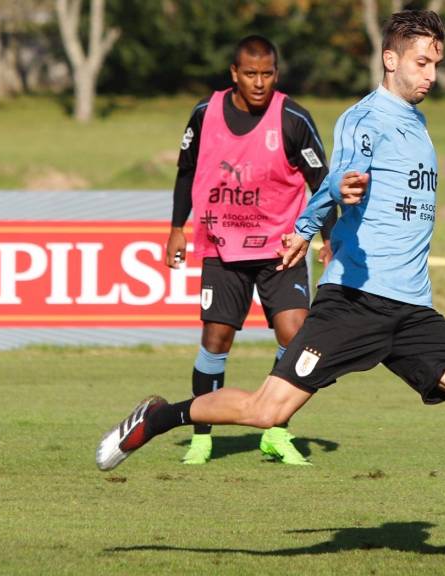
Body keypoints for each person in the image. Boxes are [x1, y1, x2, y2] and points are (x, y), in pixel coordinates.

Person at [98, 11, 445, 561]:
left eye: (436, 64)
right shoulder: (364, 119)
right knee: (268, 411)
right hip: (355, 302)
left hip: (412, 309)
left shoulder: (416, 123)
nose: (431, 75)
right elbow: (340, 176)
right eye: (421, 63)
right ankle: (159, 417)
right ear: (390, 59)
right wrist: (320, 212)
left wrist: (322, 218)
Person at [163, 35, 335, 465]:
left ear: (276, 73)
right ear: (234, 74)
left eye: (267, 74)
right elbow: (186, 172)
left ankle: (276, 430)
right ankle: (202, 437)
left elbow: (323, 183)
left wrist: (330, 238)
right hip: (222, 246)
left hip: (281, 248)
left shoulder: (293, 119)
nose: (260, 83)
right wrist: (177, 228)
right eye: (251, 74)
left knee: (296, 335)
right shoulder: (205, 114)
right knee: (216, 339)